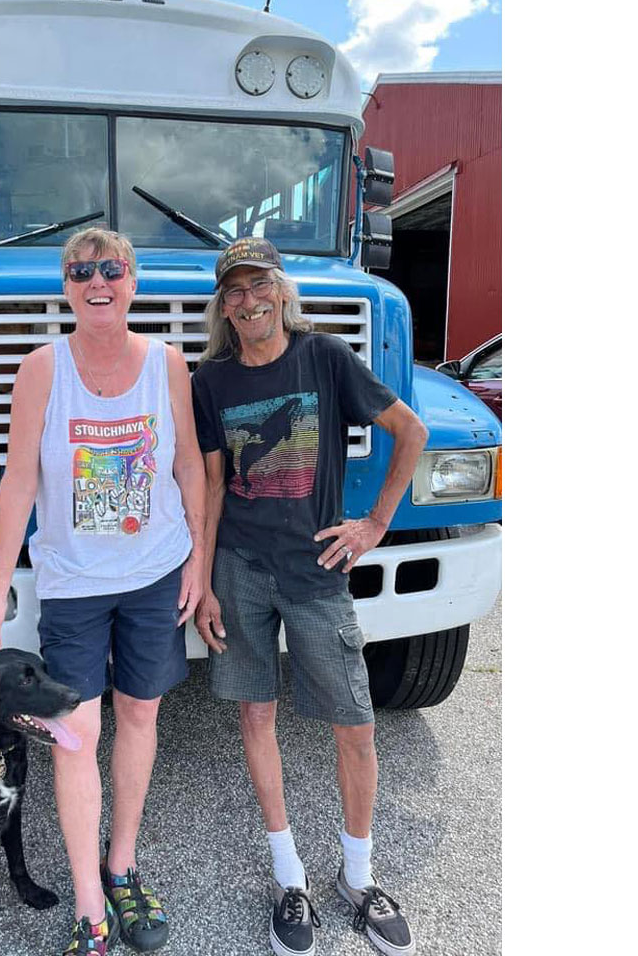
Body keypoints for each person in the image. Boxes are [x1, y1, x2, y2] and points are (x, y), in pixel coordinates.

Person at [0, 228, 206, 956]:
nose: (96, 281)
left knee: (140, 714)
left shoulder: (167, 365)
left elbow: (191, 464)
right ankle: (90, 905)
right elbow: (20, 480)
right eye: (81, 271)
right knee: (76, 734)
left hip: (155, 573)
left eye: (111, 269)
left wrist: (198, 560)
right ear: (65, 286)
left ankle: (122, 862)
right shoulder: (41, 370)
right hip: (73, 585)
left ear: (134, 282)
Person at [190, 237, 429, 956]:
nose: (248, 301)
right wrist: (202, 583)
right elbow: (209, 486)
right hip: (239, 570)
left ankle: (359, 878)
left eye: (259, 285)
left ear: (282, 291)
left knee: (355, 724)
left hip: (316, 572)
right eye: (234, 290)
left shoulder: (324, 358)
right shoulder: (211, 382)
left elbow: (409, 430)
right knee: (256, 715)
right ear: (222, 303)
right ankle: (288, 875)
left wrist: (376, 523)